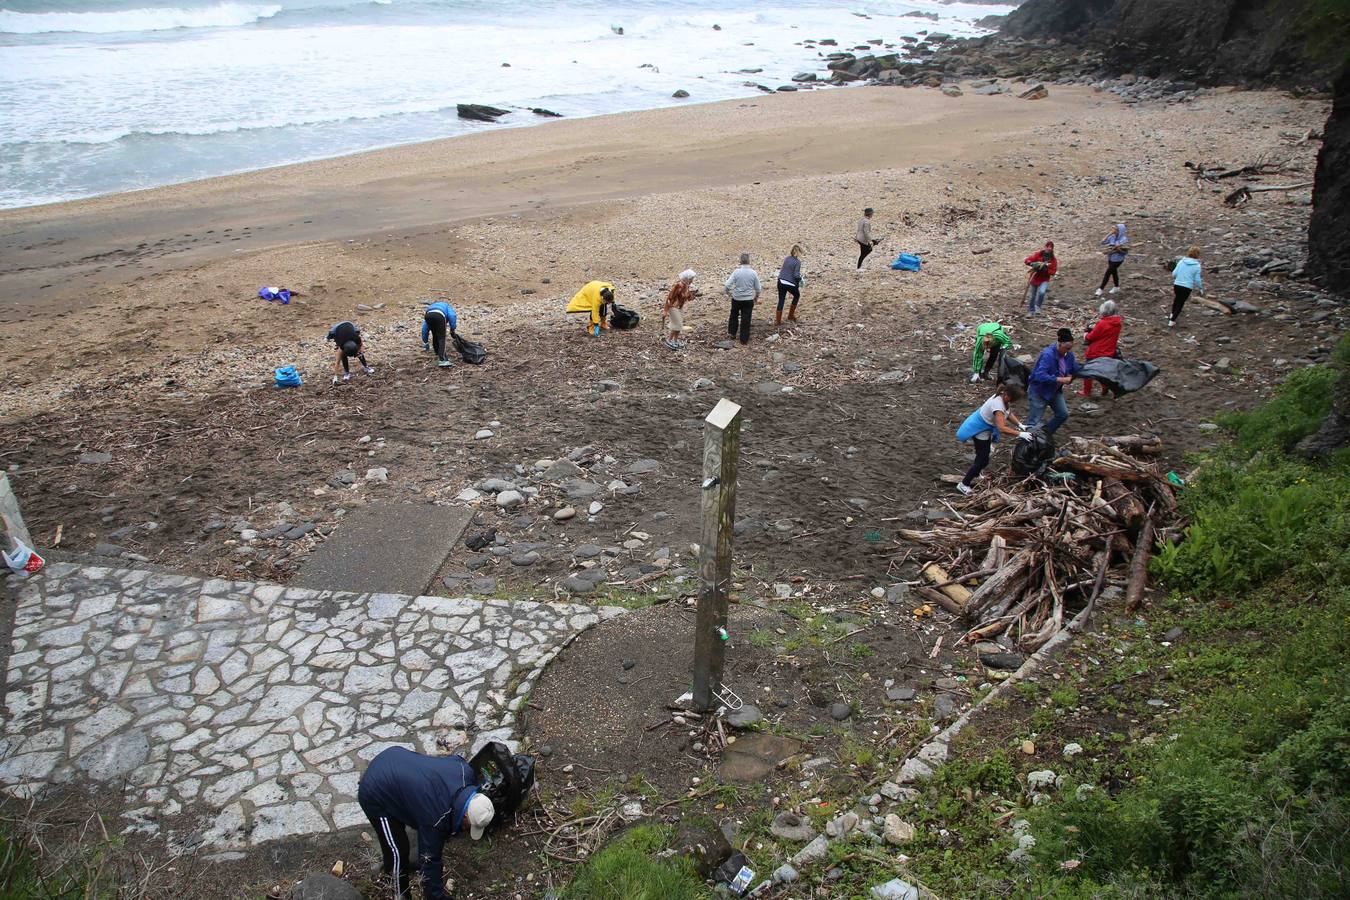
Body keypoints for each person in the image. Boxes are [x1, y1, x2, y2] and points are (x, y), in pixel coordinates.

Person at [358, 746, 496, 900]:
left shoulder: (466, 772)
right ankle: (399, 894)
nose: (467, 830)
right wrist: (437, 896)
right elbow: (430, 860)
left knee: (408, 823)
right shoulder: (436, 819)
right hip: (375, 790)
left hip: (396, 757)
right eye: (469, 826)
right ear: (464, 817)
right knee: (397, 851)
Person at [954, 382, 1029, 494]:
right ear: (1007, 395)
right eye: (1013, 400)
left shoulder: (1003, 397)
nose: (1012, 402)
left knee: (983, 455)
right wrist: (1020, 434)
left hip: (985, 427)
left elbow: (1008, 413)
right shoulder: (998, 406)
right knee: (983, 459)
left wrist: (1020, 425)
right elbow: (1002, 428)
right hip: (979, 429)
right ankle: (964, 484)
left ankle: (976, 473)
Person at [1026, 327, 1080, 435]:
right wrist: (1061, 379)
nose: (1068, 351)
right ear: (1059, 344)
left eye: (1070, 348)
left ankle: (1046, 434)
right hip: (1039, 391)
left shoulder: (1068, 355)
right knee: (1034, 422)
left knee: (1062, 414)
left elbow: (1074, 368)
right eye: (1066, 348)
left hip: (1055, 390)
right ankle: (1029, 443)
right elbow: (1039, 375)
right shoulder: (1048, 355)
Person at [1077, 300, 1122, 396]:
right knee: (1102, 371)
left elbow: (1090, 337)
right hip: (1109, 351)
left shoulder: (1102, 323)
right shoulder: (1118, 323)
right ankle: (1105, 387)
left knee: (1088, 370)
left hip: (1096, 352)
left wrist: (1085, 333)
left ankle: (1086, 391)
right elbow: (1105, 334)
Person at [724, 253, 762, 345]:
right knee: (746, 318)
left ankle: (732, 333)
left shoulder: (736, 272)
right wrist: (756, 297)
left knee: (734, 315)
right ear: (749, 261)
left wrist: (729, 294)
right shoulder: (753, 273)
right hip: (748, 299)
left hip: (736, 298)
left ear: (740, 261)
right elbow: (758, 288)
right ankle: (744, 339)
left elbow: (727, 285)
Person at [327, 320, 374, 385]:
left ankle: (366, 367)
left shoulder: (356, 337)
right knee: (343, 355)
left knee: (359, 352)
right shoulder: (340, 344)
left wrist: (360, 351)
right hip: (336, 329)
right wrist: (335, 377)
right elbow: (337, 362)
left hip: (349, 324)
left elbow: (361, 345)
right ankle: (347, 373)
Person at [1169, 246, 1204, 328]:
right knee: (1181, 303)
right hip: (1187, 287)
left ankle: (1172, 314)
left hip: (1177, 285)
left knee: (1176, 299)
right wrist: (1200, 288)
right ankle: (1172, 321)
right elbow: (1197, 279)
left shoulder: (1181, 262)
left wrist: (1178, 278)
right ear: (1198, 254)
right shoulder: (1197, 265)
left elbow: (1174, 274)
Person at [663, 270, 697, 349]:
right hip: (673, 307)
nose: (692, 280)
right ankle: (669, 340)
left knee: (679, 324)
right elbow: (670, 298)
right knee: (677, 324)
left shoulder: (686, 286)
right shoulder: (678, 285)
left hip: (679, 307)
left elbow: (687, 297)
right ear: (687, 278)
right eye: (691, 279)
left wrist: (692, 296)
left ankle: (675, 340)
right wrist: (665, 310)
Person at [1023, 241, 1058, 314]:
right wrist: (1032, 263)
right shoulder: (1038, 254)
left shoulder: (1053, 259)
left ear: (1052, 249)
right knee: (1032, 295)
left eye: (1050, 247)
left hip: (1044, 279)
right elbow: (1027, 260)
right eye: (1047, 246)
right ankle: (1031, 311)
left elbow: (1053, 271)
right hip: (1034, 278)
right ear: (1045, 247)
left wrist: (1046, 270)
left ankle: (1037, 306)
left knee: (1042, 292)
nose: (1049, 248)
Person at [422, 300, 458, 368]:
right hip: (439, 316)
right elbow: (452, 316)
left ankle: (437, 351)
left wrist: (425, 342)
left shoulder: (431, 308)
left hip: (428, 316)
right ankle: (442, 359)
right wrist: (452, 329)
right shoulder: (446, 306)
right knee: (442, 338)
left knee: (435, 334)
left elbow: (424, 329)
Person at [1096, 224, 1128, 296]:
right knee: (1114, 272)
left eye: (1116, 230)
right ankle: (1116, 287)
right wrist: (1109, 234)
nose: (1114, 231)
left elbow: (1124, 252)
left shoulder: (1124, 239)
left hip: (1118, 260)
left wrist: (1117, 248)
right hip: (1111, 258)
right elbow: (1102, 242)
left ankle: (1101, 289)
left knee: (1108, 273)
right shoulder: (1112, 237)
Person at [777, 245, 803, 325]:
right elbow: (796, 275)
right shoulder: (797, 262)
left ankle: (778, 321)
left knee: (781, 300)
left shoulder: (787, 258)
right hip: (790, 283)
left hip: (781, 281)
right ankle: (790, 315)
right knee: (797, 295)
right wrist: (800, 281)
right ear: (798, 253)